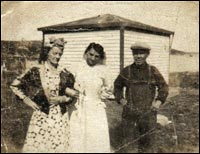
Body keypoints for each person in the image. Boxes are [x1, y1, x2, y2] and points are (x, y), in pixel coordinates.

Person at [10, 38, 76, 153]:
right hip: (42, 116)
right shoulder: (36, 70)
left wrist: (63, 99)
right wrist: (26, 100)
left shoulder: (65, 72)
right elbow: (14, 86)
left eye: (60, 54)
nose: (57, 57)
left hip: (60, 118)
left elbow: (74, 94)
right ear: (47, 53)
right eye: (54, 53)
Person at [114, 42, 169, 153]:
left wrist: (158, 101)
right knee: (129, 144)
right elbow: (117, 86)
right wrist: (121, 99)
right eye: (135, 53)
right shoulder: (127, 71)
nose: (138, 56)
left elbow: (164, 87)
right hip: (130, 113)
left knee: (148, 144)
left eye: (141, 53)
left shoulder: (153, 71)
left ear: (147, 54)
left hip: (148, 113)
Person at [67, 42, 113, 153]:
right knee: (78, 136)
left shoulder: (103, 70)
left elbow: (110, 87)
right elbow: (67, 84)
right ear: (86, 53)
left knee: (95, 137)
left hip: (96, 108)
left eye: (96, 56)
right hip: (79, 107)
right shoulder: (77, 67)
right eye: (91, 54)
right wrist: (73, 91)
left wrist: (103, 93)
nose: (93, 58)